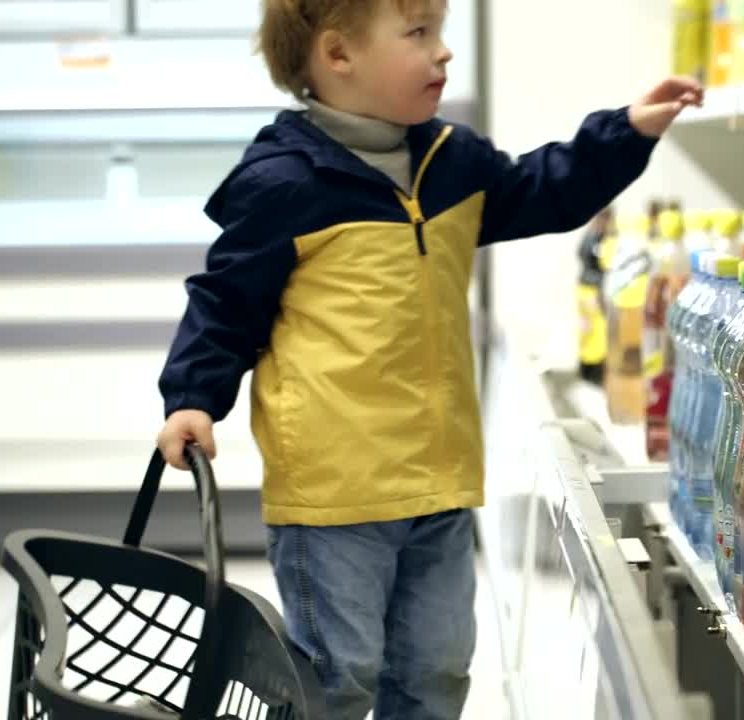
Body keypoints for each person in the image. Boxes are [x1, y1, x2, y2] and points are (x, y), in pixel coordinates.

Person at [154, 0, 702, 717]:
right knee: (338, 677)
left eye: (440, 31)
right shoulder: (283, 184)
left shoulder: (453, 162)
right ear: (337, 57)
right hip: (334, 492)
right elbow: (225, 302)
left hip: (440, 479)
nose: (443, 53)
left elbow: (545, 190)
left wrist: (623, 132)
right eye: (419, 34)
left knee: (435, 673)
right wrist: (193, 395)